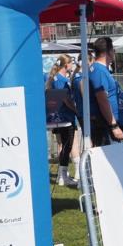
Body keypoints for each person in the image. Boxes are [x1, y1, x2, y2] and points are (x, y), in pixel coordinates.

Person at [78, 37, 123, 147]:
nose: (114, 53)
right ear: (109, 51)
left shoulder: (99, 69)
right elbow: (102, 99)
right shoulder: (99, 70)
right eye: (113, 50)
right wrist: (113, 125)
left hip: (105, 123)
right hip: (105, 125)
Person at [45, 54, 78, 187]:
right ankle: (62, 176)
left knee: (65, 146)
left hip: (63, 117)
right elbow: (64, 98)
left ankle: (62, 175)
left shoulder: (60, 78)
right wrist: (76, 110)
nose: (72, 65)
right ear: (66, 65)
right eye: (71, 63)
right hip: (64, 118)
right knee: (66, 146)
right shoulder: (60, 79)